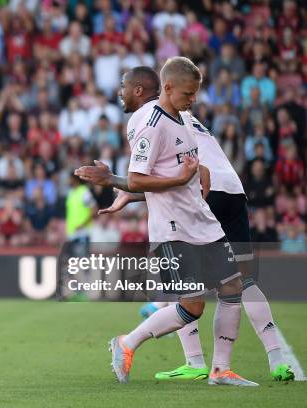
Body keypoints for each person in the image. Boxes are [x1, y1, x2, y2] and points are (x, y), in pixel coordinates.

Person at [77, 63, 294, 382]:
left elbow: (165, 172)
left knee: (224, 287)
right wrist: (121, 184)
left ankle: (214, 367)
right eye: (189, 93)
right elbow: (152, 176)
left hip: (198, 213)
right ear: (168, 89)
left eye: (123, 87)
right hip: (206, 205)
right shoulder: (163, 119)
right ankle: (131, 342)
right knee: (210, 296)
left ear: (140, 90)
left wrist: (119, 181)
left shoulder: (161, 117)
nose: (193, 99)